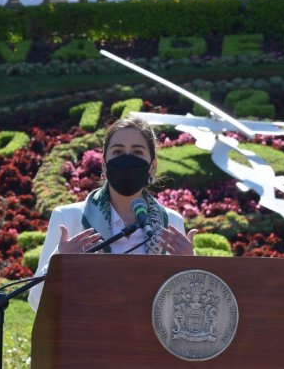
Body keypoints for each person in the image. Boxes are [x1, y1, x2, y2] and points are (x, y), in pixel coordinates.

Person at [28, 116, 197, 311]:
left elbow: (187, 307)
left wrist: (190, 265)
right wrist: (59, 263)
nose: (127, 158)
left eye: (137, 152)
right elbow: (36, 303)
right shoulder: (68, 219)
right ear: (104, 164)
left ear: (152, 165)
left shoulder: (171, 223)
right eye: (117, 151)